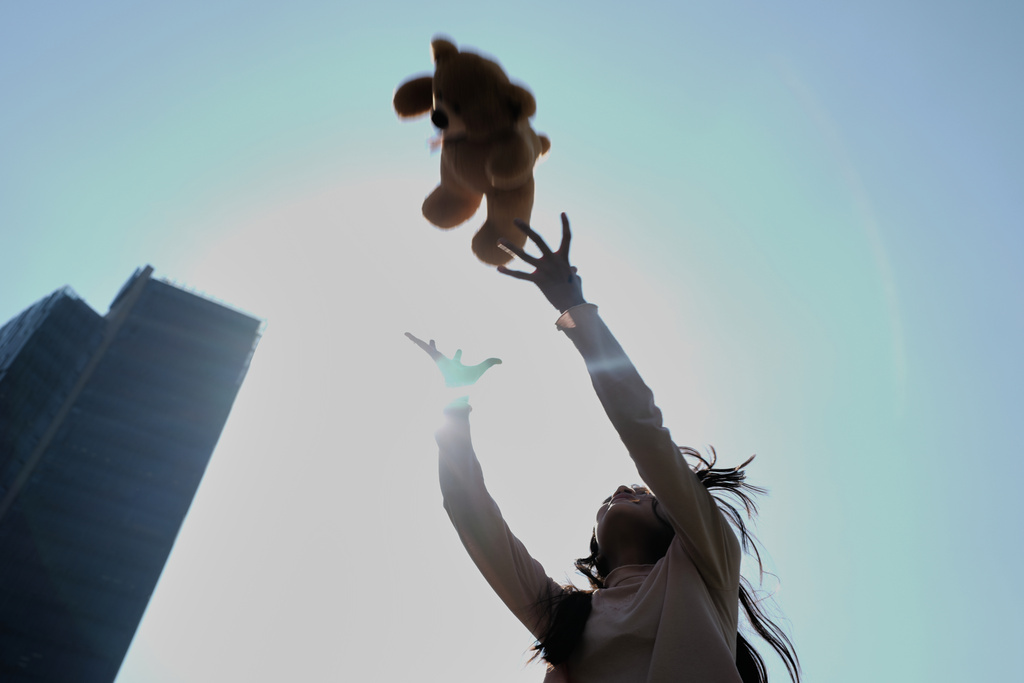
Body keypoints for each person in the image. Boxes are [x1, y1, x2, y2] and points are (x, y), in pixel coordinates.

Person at [409, 214, 800, 683]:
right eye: (620, 493)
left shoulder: (704, 562)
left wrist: (574, 309)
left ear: (673, 517)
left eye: (641, 491)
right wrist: (455, 405)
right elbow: (472, 516)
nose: (621, 489)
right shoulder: (568, 618)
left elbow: (644, 431)